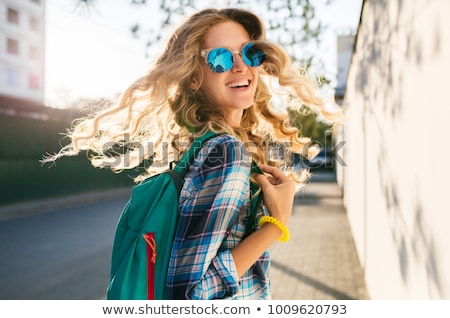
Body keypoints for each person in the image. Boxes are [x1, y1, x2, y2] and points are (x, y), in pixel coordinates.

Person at [42, 7, 341, 299]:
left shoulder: (205, 145)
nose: (241, 66)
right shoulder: (226, 152)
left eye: (249, 53)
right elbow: (189, 295)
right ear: (194, 77)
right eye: (220, 58)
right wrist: (275, 225)